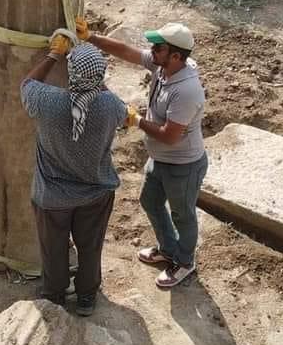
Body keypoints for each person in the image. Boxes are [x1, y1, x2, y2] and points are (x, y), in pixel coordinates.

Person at [78, 19, 207, 289]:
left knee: (183, 215)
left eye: (157, 47)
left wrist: (134, 120)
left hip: (182, 164)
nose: (151, 49)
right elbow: (127, 52)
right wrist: (91, 37)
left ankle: (184, 262)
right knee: (150, 201)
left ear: (175, 55)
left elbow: (170, 136)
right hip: (160, 159)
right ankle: (168, 249)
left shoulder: (186, 91)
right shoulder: (164, 66)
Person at [20, 34, 131, 316]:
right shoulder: (110, 106)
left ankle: (55, 297)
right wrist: (94, 74)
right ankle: (86, 298)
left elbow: (27, 84)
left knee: (53, 250)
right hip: (95, 194)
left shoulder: (48, 102)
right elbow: (109, 98)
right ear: (100, 75)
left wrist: (54, 55)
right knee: (90, 248)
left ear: (70, 74)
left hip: (52, 198)